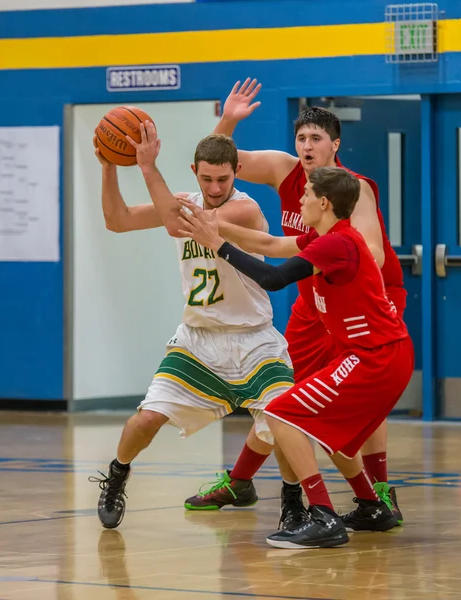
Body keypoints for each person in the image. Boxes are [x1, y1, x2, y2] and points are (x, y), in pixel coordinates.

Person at [185, 79, 406, 528]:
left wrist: (321, 258)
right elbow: (219, 163)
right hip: (314, 301)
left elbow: (372, 257)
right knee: (286, 399)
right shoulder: (287, 175)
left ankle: (375, 488)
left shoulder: (350, 192)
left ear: (334, 146)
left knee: (347, 401)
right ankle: (251, 483)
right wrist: (228, 119)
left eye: (315, 139)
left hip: (361, 301)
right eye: (301, 138)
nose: (306, 146)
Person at [89, 123, 295, 529]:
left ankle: (293, 501)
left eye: (223, 178)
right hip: (198, 339)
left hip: (253, 339)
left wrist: (147, 168)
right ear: (194, 172)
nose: (215, 186)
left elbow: (174, 222)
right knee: (147, 419)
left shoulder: (245, 209)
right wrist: (110, 166)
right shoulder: (184, 201)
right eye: (207, 179)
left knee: (281, 422)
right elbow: (117, 219)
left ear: (237, 171)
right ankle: (117, 473)